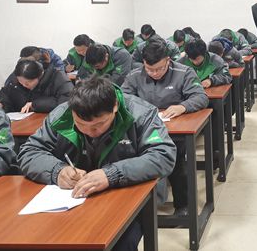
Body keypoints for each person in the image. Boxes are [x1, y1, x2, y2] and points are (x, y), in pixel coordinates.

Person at [18, 76, 176, 251]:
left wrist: (112, 174)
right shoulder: (61, 115)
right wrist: (57, 171)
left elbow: (163, 155)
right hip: (74, 197)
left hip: (126, 195)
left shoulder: (141, 113)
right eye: (81, 124)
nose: (90, 132)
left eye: (99, 125)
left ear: (115, 106)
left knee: (121, 242)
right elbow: (30, 152)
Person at [121, 39, 208, 216]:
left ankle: (183, 206)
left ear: (168, 60)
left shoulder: (183, 72)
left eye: (159, 69)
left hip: (175, 130)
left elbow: (200, 96)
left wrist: (182, 107)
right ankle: (136, 208)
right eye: (149, 69)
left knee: (176, 159)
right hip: (144, 129)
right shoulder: (134, 75)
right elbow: (123, 99)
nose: (154, 73)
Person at [0, 59, 72, 113]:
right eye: (21, 82)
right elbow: (5, 95)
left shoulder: (58, 77)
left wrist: (34, 104)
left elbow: (66, 102)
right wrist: (1, 104)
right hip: (22, 125)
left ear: (40, 76)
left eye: (28, 83)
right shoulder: (16, 81)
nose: (23, 85)